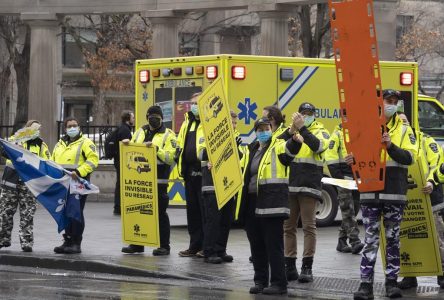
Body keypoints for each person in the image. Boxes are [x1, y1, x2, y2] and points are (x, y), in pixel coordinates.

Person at [352, 89, 418, 300]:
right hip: (370, 191)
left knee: (392, 240)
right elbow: (357, 155)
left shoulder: (405, 129)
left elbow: (410, 158)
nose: (391, 104)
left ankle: (391, 283)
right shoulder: (365, 126)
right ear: (379, 102)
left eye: (394, 101)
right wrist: (351, 162)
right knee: (370, 239)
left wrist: (390, 146)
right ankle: (365, 285)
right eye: (388, 100)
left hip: (393, 192)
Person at [238, 116, 304, 295]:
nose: (263, 132)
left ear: (272, 129)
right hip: (252, 203)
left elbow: (289, 151)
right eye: (260, 130)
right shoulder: (251, 149)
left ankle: (279, 283)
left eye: (266, 128)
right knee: (256, 244)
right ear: (255, 132)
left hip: (272, 203)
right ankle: (260, 281)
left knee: (273, 245)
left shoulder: (278, 146)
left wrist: (296, 141)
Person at [280, 102, 330, 283]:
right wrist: (291, 130)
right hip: (290, 185)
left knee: (309, 226)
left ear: (314, 115)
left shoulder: (321, 131)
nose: (306, 116)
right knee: (288, 227)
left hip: (309, 186)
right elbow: (277, 144)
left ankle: (307, 267)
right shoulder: (293, 129)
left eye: (309, 113)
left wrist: (302, 129)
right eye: (303, 113)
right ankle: (290, 266)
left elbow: (318, 147)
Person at [397, 112, 444, 290]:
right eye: (398, 122)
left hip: (430, 197)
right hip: (407, 198)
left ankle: (442, 274)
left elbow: (437, 164)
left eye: (405, 122)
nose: (402, 125)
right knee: (408, 237)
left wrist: (431, 181)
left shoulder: (426, 141)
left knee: (438, 238)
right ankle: (410, 276)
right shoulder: (393, 144)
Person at [121, 105, 177, 256]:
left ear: (161, 119)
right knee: (139, 211)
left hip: (159, 181)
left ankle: (164, 246)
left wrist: (156, 149)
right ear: (147, 117)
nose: (154, 120)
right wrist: (127, 145)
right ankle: (137, 244)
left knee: (160, 213)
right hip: (140, 181)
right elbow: (133, 150)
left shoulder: (168, 135)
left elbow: (170, 157)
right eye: (151, 117)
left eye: (157, 117)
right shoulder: (140, 131)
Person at [0, 120, 50, 252]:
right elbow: (3, 149)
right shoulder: (15, 139)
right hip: (11, 180)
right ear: (27, 129)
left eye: (38, 129)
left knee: (27, 214)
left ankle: (26, 242)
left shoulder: (41, 145)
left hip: (29, 183)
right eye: (33, 129)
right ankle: (3, 239)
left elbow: (47, 163)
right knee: (5, 211)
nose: (36, 131)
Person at [199, 110, 241, 264]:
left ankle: (220, 250)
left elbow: (241, 157)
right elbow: (200, 153)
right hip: (211, 185)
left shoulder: (236, 137)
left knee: (226, 220)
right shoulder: (209, 135)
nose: (234, 125)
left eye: (236, 123)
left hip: (228, 185)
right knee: (213, 220)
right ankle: (209, 252)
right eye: (232, 122)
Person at [52, 117, 99, 254]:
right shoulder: (59, 144)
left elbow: (93, 160)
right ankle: (68, 240)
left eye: (75, 125)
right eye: (70, 126)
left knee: (76, 212)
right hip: (63, 183)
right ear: (65, 129)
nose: (73, 128)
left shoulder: (86, 142)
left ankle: (76, 242)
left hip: (78, 182)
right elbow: (53, 162)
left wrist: (78, 172)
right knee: (66, 212)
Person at [325, 123, 364, 254]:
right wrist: (340, 178)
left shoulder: (359, 134)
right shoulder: (336, 135)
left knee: (355, 208)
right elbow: (330, 158)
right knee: (347, 210)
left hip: (358, 179)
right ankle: (355, 241)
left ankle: (341, 241)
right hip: (344, 179)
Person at [176, 93, 206, 258]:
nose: (194, 106)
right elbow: (181, 144)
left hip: (204, 173)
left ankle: (205, 246)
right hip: (189, 173)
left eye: (197, 103)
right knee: (192, 212)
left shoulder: (209, 122)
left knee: (204, 212)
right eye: (193, 103)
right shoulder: (188, 123)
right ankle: (194, 245)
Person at [113, 110, 134, 216]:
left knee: (120, 183)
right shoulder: (125, 130)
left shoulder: (122, 128)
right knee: (121, 183)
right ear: (127, 119)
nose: (133, 120)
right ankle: (118, 207)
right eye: (132, 118)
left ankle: (118, 206)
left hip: (118, 159)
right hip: (122, 160)